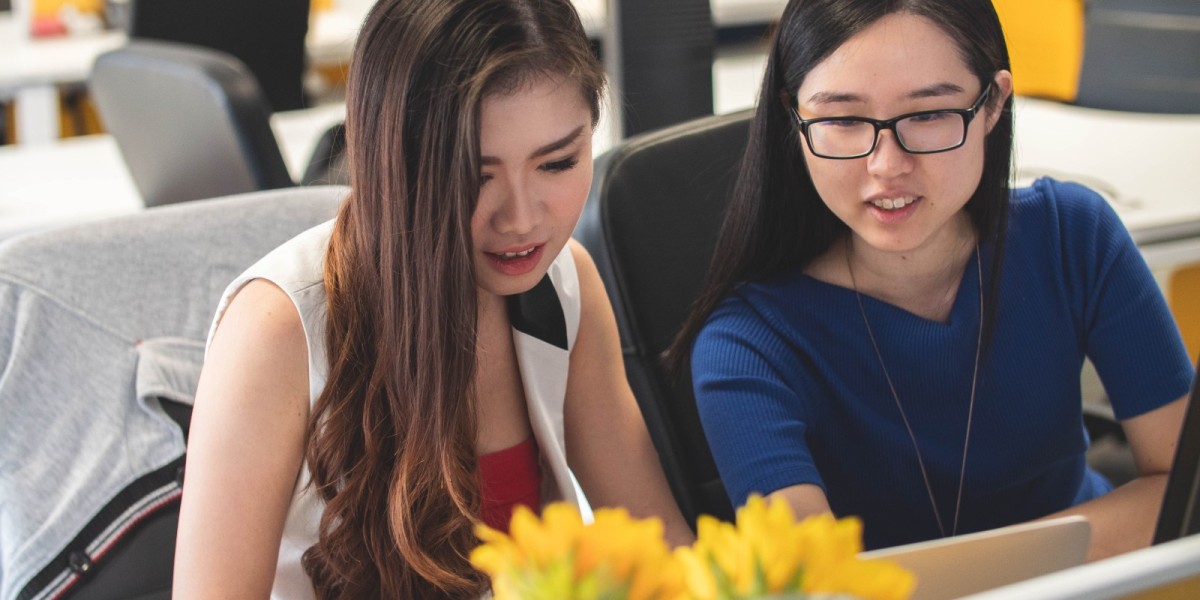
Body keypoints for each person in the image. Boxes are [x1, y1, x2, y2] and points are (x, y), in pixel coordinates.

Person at [172, 0, 692, 597]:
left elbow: (660, 551)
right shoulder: (276, 331)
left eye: (558, 163)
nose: (522, 219)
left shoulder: (565, 283)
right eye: (474, 173)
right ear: (389, 159)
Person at [671, 0, 1191, 562]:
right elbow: (818, 582)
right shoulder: (746, 346)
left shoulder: (1073, 235)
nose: (887, 165)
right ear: (792, 120)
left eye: (928, 114)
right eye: (843, 121)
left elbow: (1182, 488)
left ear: (993, 104)